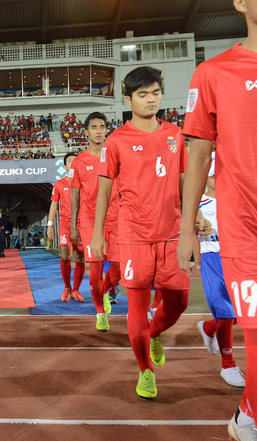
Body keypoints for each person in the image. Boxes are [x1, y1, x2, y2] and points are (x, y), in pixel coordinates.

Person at [178, 1, 257, 438]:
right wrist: (186, 227)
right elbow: (198, 157)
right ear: (241, 3)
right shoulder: (214, 74)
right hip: (249, 239)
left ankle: (244, 416)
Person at [91, 66, 188, 401]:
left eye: (155, 93)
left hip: (172, 232)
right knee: (136, 304)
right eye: (143, 94)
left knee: (179, 299)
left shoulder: (175, 133)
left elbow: (183, 181)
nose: (151, 99)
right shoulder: (116, 141)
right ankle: (145, 370)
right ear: (128, 98)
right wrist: (97, 234)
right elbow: (104, 190)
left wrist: (195, 215)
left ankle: (156, 331)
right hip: (132, 235)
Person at [195, 155, 246, 388]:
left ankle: (208, 327)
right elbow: (189, 228)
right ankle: (228, 364)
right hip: (213, 259)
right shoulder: (199, 204)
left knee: (236, 314)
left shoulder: (237, 200)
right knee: (226, 314)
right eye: (217, 175)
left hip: (238, 258)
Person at [71, 112, 120, 332]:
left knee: (119, 269)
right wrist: (74, 226)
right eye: (94, 127)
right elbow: (74, 196)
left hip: (117, 218)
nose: (99, 130)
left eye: (102, 126)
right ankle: (100, 312)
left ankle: (107, 290)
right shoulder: (79, 161)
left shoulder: (116, 155)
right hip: (90, 221)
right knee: (96, 268)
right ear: (86, 132)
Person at [47, 152, 85, 304]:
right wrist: (49, 225)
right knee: (66, 256)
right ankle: (67, 287)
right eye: (70, 161)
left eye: (76, 161)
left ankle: (76, 289)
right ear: (65, 166)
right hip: (65, 224)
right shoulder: (59, 184)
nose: (73, 163)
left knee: (80, 257)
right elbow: (54, 204)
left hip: (82, 224)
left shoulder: (85, 183)